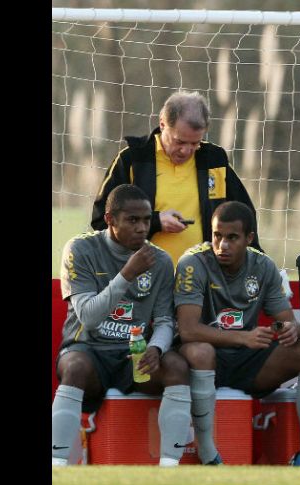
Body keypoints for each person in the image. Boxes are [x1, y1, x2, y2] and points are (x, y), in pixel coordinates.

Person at [173, 201, 300, 466]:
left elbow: (287, 322)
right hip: (204, 359)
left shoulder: (264, 266)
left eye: (232, 237)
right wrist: (243, 337)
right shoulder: (192, 263)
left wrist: (290, 330)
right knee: (201, 351)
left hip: (248, 360)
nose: (222, 245)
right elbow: (187, 330)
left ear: (249, 238)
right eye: (217, 236)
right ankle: (209, 454)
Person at [53, 184, 191, 467]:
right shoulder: (80, 249)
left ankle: (170, 469)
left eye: (146, 219)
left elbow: (165, 320)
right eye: (132, 220)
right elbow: (89, 317)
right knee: (75, 367)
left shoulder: (161, 260)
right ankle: (57, 465)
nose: (142, 228)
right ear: (109, 220)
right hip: (89, 349)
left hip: (135, 355)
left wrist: (156, 347)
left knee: (177, 366)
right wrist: (126, 274)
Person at [91, 90, 262, 265]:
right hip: (143, 279)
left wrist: (257, 263)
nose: (186, 151)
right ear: (162, 124)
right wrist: (155, 222)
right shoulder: (133, 160)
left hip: (202, 280)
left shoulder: (214, 160)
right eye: (179, 141)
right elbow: (101, 221)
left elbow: (245, 216)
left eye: (195, 143)